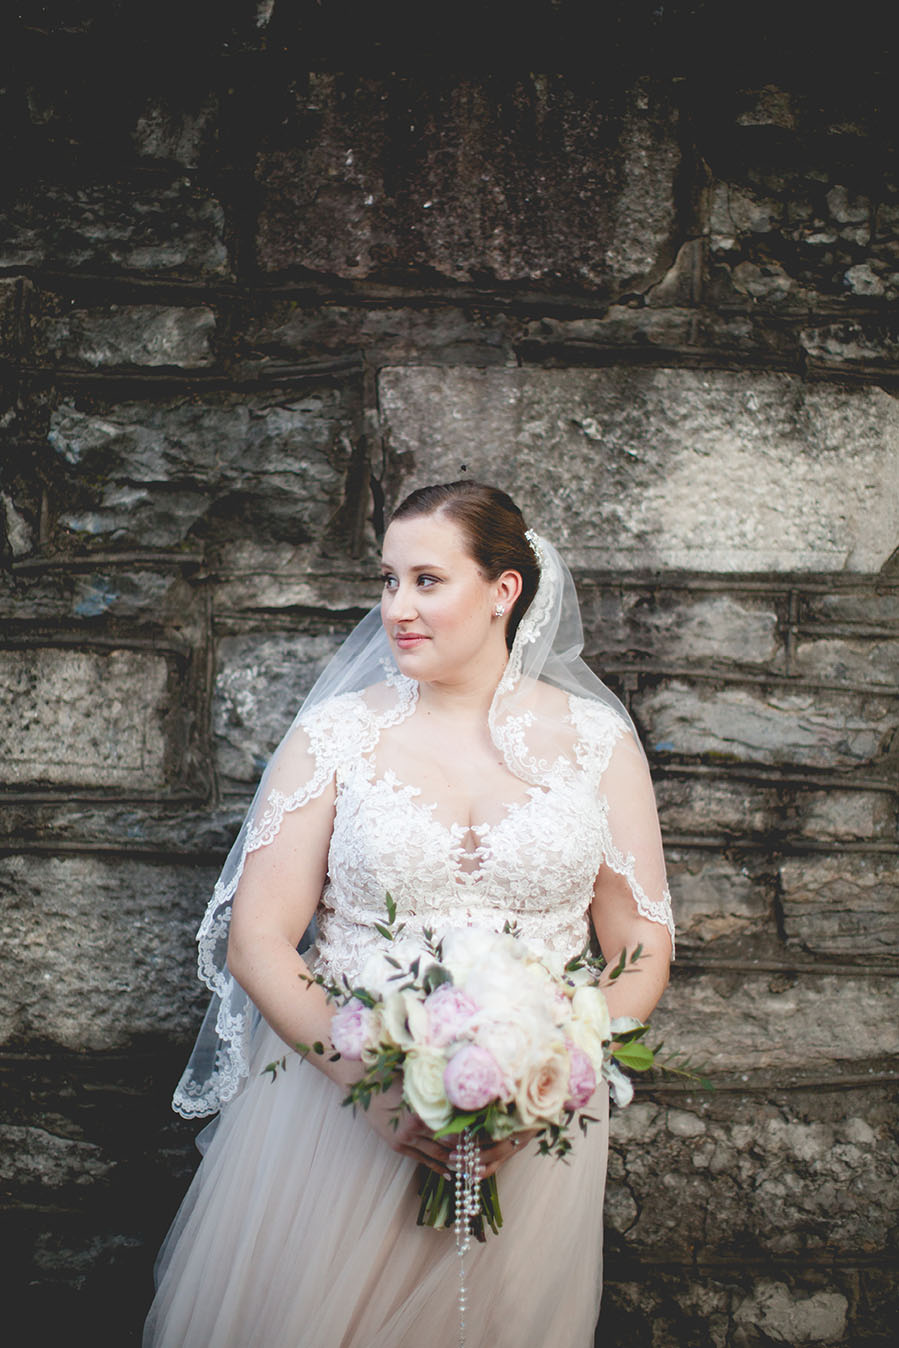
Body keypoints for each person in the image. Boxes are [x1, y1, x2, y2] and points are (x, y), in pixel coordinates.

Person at [144, 481, 674, 1348]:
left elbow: (640, 941)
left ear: (503, 591)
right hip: (339, 1109)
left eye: (427, 580)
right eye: (388, 581)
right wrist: (377, 1091)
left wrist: (549, 1074)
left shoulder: (596, 744)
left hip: (531, 1127)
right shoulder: (336, 736)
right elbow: (259, 939)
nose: (397, 608)